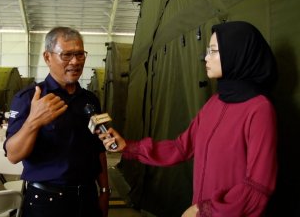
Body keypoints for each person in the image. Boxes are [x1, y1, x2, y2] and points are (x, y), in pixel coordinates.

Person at [99, 21, 278, 217]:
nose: (206, 57)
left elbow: (258, 186)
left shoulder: (259, 109)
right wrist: (128, 146)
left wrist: (206, 210)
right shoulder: (215, 102)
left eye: (214, 51)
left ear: (238, 53)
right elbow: (181, 147)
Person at [4, 27, 110, 217]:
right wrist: (33, 122)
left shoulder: (90, 99)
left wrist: (104, 191)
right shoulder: (29, 98)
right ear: (47, 57)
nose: (75, 62)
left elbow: (98, 149)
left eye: (80, 54)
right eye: (67, 55)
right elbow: (12, 155)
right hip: (47, 202)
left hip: (87, 198)